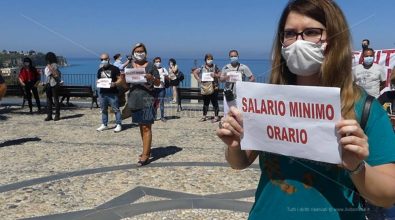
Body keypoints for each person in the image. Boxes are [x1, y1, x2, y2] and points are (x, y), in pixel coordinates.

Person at [217, 0, 395, 219]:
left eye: (311, 32)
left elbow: (387, 196)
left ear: (334, 38)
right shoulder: (264, 100)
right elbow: (240, 162)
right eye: (290, 33)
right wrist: (234, 145)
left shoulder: (365, 108)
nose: (298, 42)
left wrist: (357, 167)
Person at [123, 43, 160, 166]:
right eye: (137, 51)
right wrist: (122, 79)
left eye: (142, 51)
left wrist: (151, 78)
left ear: (146, 52)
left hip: (148, 99)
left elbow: (158, 83)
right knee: (141, 125)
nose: (140, 53)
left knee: (146, 126)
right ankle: (146, 149)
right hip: (134, 99)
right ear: (133, 52)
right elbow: (126, 86)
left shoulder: (151, 66)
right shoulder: (129, 66)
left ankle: (145, 155)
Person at [96, 53, 122, 132]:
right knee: (103, 109)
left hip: (112, 93)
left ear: (109, 59)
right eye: (102, 59)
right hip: (102, 93)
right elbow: (99, 79)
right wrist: (98, 82)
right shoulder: (100, 70)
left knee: (116, 109)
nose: (103, 61)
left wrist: (115, 84)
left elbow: (120, 79)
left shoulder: (115, 69)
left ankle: (119, 124)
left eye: (105, 59)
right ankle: (104, 124)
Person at [192, 53, 221, 123]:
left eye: (211, 59)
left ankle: (216, 116)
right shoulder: (202, 67)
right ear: (205, 60)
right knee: (205, 103)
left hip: (214, 87)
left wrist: (215, 75)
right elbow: (195, 72)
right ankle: (204, 116)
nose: (210, 60)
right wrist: (199, 79)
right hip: (205, 88)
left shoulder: (215, 67)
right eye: (208, 59)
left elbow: (220, 74)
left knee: (215, 102)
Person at [44, 52, 62, 121]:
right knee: (48, 100)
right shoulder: (48, 65)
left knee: (55, 99)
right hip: (48, 83)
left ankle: (57, 115)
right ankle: (49, 115)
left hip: (54, 83)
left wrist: (49, 67)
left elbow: (55, 74)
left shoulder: (54, 65)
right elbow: (47, 74)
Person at [153, 57, 169, 122]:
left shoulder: (163, 69)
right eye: (156, 61)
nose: (158, 63)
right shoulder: (152, 70)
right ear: (154, 62)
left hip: (162, 88)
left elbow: (168, 77)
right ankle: (154, 116)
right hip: (154, 88)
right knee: (155, 103)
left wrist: (165, 77)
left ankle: (162, 117)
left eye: (159, 61)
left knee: (162, 103)